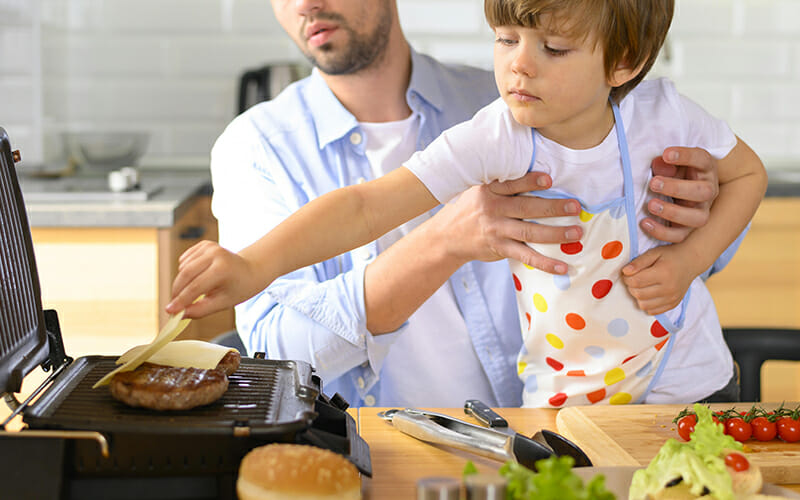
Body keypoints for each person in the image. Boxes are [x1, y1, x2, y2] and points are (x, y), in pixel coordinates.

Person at [169, 0, 761, 408]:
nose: (520, 63)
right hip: (531, 419)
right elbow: (360, 212)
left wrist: (692, 234)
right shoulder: (499, 127)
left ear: (621, 66)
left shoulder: (596, 104)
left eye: (551, 46)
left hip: (673, 388)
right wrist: (253, 266)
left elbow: (735, 195)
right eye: (506, 40)